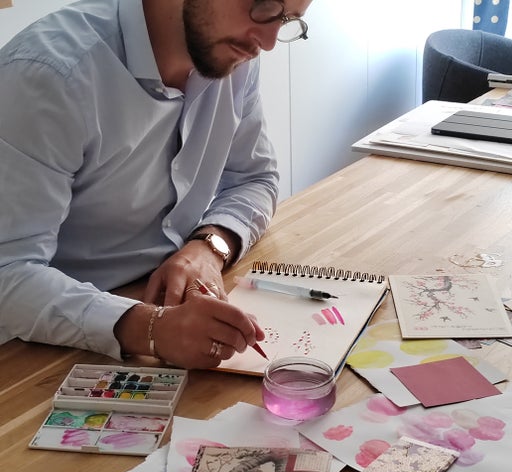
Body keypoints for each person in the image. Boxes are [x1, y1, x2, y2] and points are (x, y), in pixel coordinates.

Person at [0, 0, 312, 368]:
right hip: (40, 345)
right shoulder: (49, 75)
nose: (268, 41)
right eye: (264, 5)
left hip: (160, 310)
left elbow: (254, 178)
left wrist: (208, 247)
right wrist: (152, 328)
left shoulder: (235, 53)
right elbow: (8, 274)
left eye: (288, 20)